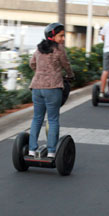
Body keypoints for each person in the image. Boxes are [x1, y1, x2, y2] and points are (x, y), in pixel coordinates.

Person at [28, 22, 74, 158]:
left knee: (37, 118)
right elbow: (66, 64)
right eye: (61, 36)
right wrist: (70, 75)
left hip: (36, 88)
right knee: (53, 119)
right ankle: (52, 152)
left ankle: (31, 150)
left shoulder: (39, 48)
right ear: (52, 36)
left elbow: (32, 64)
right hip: (53, 88)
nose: (63, 38)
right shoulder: (59, 49)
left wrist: (40, 72)